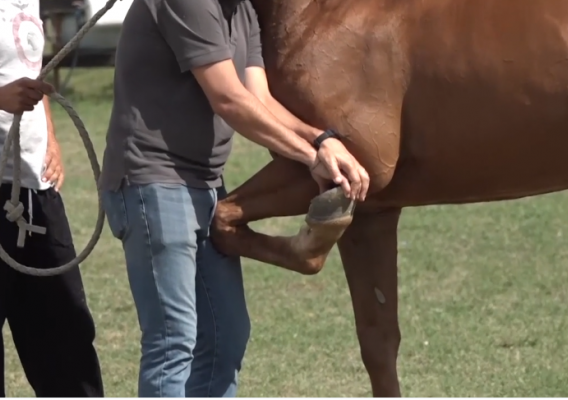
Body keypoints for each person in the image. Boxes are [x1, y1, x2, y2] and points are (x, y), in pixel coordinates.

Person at [98, 0, 370, 396]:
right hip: (152, 182)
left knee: (226, 335)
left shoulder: (242, 10)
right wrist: (312, 158)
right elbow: (228, 99)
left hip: (204, 185)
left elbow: (257, 99)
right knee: (173, 341)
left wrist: (322, 139)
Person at [0, 0, 104, 396]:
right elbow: (7, 88)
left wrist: (50, 137)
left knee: (67, 335)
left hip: (35, 188)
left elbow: (29, 74)